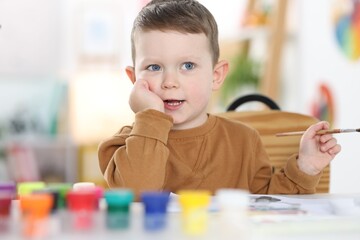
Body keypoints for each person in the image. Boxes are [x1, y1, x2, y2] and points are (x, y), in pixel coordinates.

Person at [98, 0, 341, 198]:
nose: (169, 81)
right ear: (134, 79)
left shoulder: (244, 141)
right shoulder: (123, 146)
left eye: (188, 65)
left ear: (215, 76)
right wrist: (150, 117)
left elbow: (271, 206)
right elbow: (139, 195)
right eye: (153, 67)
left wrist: (306, 167)